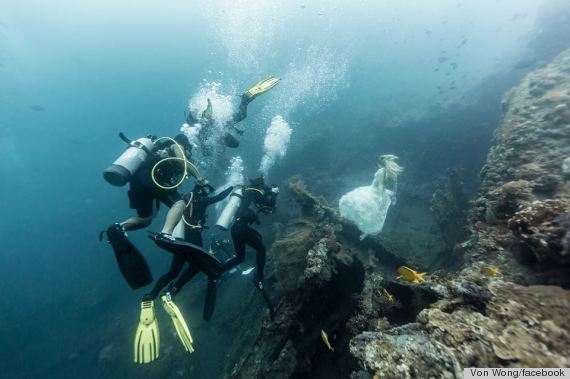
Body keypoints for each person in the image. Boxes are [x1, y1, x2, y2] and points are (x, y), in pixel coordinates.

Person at [133, 181, 233, 364]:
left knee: (173, 270)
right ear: (200, 192)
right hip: (193, 237)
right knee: (195, 267)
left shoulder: (186, 199)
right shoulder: (201, 200)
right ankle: (171, 293)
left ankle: (150, 296)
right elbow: (218, 197)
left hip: (180, 238)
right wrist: (234, 187)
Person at [102, 133, 200, 290]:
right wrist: (200, 178)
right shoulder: (176, 145)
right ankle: (166, 233)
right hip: (152, 177)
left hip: (137, 182)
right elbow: (184, 163)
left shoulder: (154, 152)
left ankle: (119, 227)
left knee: (146, 218)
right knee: (180, 203)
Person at [185, 77, 280, 154]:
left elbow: (207, 146)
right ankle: (245, 99)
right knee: (236, 118)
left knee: (240, 116)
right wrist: (236, 129)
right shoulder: (221, 133)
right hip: (208, 124)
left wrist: (235, 129)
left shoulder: (219, 136)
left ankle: (244, 100)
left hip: (204, 123)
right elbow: (223, 129)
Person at [222, 177, 279, 289]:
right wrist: (274, 193)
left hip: (235, 229)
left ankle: (219, 269)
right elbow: (270, 204)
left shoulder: (247, 193)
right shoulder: (255, 193)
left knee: (240, 257)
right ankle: (259, 279)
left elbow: (263, 201)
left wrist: (269, 191)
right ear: (259, 186)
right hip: (242, 228)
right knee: (261, 249)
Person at [338, 154, 403, 239]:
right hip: (384, 195)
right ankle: (364, 231)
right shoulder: (393, 172)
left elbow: (380, 185)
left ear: (380, 164)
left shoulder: (381, 171)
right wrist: (393, 196)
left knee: (357, 204)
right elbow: (395, 186)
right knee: (374, 216)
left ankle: (349, 223)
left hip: (375, 192)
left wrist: (379, 199)